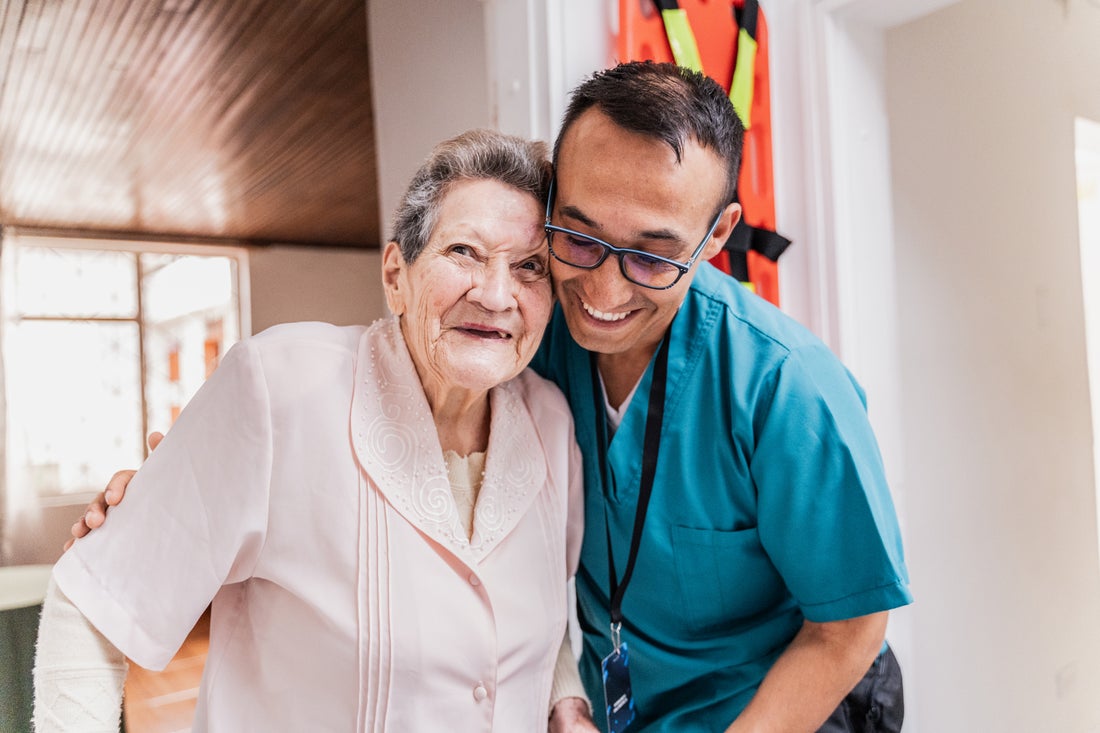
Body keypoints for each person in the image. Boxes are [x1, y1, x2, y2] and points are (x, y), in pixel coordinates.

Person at [74, 62, 912, 732]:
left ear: (718, 234)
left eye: (654, 256)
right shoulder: (535, 340)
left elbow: (849, 628)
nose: (605, 291)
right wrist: (178, 483)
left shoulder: (788, 387)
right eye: (578, 238)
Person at [34, 129, 595, 731]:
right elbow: (93, 605)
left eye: (529, 266)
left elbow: (536, 616)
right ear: (395, 275)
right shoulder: (280, 387)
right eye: (464, 252)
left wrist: (565, 702)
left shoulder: (551, 422)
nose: (495, 293)